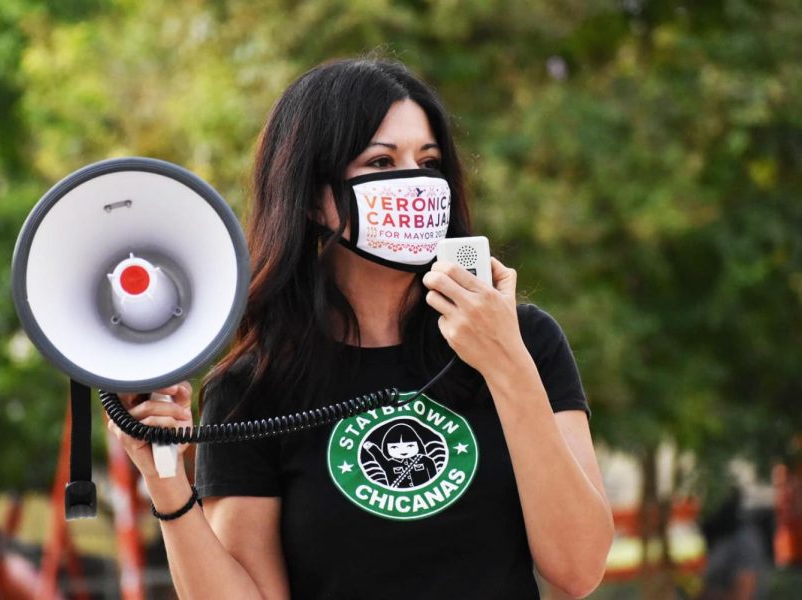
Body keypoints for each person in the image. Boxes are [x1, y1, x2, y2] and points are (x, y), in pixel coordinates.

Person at [108, 57, 614, 599]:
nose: (416, 184)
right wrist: (164, 479)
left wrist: (505, 360)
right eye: (381, 163)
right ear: (312, 198)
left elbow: (578, 568)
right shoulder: (255, 386)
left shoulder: (525, 340)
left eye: (429, 161)